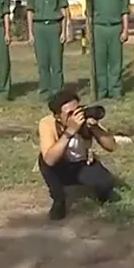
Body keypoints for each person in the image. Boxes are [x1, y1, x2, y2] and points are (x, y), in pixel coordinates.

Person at [37, 88, 119, 221]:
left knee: (106, 183)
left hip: (81, 164)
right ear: (57, 116)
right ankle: (59, 200)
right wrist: (70, 131)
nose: (76, 116)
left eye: (77, 110)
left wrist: (94, 128)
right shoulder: (47, 123)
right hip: (60, 165)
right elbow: (50, 160)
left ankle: (101, 194)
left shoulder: (85, 120)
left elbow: (112, 146)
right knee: (44, 160)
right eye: (69, 113)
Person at [88, 0, 131, 100]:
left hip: (115, 27)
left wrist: (125, 30)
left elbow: (124, 11)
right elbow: (89, 12)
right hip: (99, 27)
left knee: (115, 61)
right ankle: (102, 89)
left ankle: (115, 89)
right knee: (99, 60)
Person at [26, 0, 69, 100]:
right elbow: (30, 12)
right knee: (42, 62)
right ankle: (44, 91)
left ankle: (58, 91)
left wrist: (64, 30)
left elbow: (64, 11)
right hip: (39, 28)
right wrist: (30, 33)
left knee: (56, 62)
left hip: (54, 26)